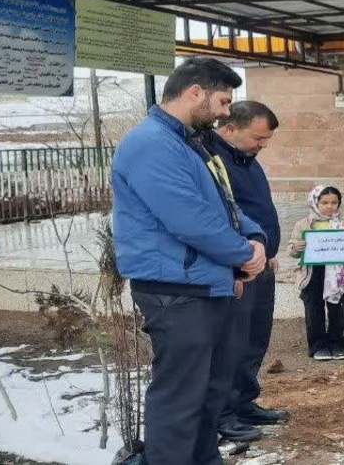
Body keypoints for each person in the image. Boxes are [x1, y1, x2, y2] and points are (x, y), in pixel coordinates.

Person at [112, 58, 267, 465]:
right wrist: (243, 255)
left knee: (208, 392)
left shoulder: (187, 143)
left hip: (201, 283)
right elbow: (190, 220)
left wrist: (255, 238)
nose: (225, 113)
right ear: (195, 92)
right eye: (222, 101)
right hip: (175, 289)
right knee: (181, 397)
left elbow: (225, 204)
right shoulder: (150, 143)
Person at [201, 101, 289, 442]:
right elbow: (220, 218)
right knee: (231, 344)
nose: (263, 145)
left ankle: (244, 402)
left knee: (255, 339)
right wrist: (237, 265)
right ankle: (223, 414)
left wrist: (269, 251)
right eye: (258, 138)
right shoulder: (212, 161)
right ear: (230, 129)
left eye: (266, 139)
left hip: (261, 264)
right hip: (238, 269)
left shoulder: (247, 159)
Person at [288, 186, 344, 360]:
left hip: (340, 272)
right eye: (324, 202)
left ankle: (336, 343)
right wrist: (296, 247)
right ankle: (318, 346)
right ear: (315, 203)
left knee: (339, 307)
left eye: (334, 202)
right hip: (313, 272)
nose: (329, 206)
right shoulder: (303, 224)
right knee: (314, 308)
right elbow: (291, 249)